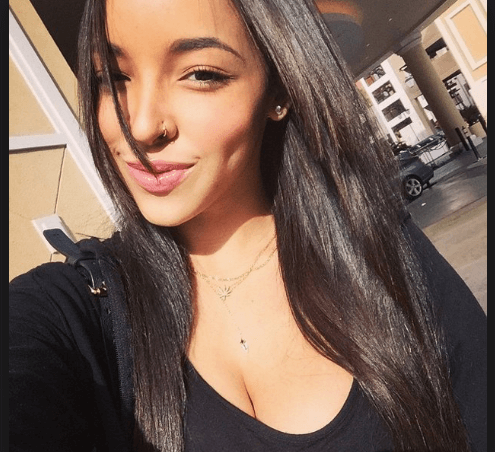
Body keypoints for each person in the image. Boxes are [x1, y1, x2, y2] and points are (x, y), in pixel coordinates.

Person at [9, 0, 486, 451]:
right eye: (112, 77)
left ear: (278, 89)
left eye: (201, 74)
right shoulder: (77, 309)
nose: (141, 126)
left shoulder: (374, 246)